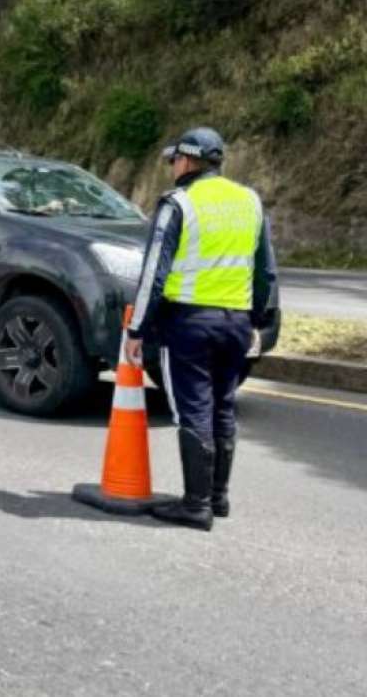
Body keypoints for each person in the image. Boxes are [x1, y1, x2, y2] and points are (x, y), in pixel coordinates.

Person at [125, 127, 278, 531]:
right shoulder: (249, 201)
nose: (171, 167)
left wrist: (136, 329)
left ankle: (195, 506)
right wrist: (260, 319)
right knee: (223, 407)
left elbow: (153, 272)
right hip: (237, 324)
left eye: (174, 159)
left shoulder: (178, 203)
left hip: (190, 325)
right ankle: (218, 498)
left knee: (192, 410)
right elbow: (265, 271)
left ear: (188, 160)